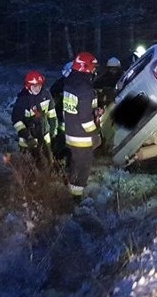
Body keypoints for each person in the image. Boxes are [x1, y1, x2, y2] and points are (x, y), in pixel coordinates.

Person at [62, 51, 101, 201]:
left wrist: (95, 111)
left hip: (71, 133)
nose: (94, 70)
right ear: (85, 68)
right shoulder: (85, 89)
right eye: (92, 67)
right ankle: (75, 199)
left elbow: (74, 110)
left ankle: (70, 191)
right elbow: (85, 120)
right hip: (82, 138)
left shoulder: (70, 84)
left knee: (74, 164)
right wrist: (96, 133)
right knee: (83, 168)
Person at [10, 70, 57, 165]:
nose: (37, 88)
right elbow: (16, 121)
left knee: (48, 163)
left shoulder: (46, 95)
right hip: (28, 140)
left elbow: (52, 114)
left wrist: (53, 131)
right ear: (28, 86)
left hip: (44, 136)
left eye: (39, 86)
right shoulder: (22, 100)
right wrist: (27, 137)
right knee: (28, 166)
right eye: (35, 86)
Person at [49, 61, 73, 166]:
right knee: (61, 142)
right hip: (61, 119)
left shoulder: (72, 85)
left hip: (69, 120)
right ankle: (59, 162)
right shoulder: (60, 85)